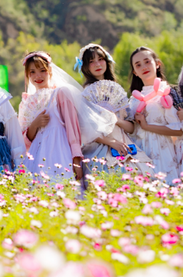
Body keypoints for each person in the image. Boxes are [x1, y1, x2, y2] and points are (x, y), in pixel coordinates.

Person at [18, 51, 115, 183]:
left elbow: (73, 128)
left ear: (50, 71)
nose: (38, 76)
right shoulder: (26, 103)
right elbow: (24, 141)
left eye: (42, 70)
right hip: (37, 156)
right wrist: (34, 125)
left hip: (60, 152)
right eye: (32, 72)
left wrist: (76, 160)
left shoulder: (60, 94)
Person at [76, 44, 153, 175]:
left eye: (100, 59)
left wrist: (115, 119)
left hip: (125, 144)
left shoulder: (116, 89)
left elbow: (131, 128)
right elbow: (86, 130)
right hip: (99, 147)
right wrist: (112, 142)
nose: (97, 64)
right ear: (85, 66)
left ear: (107, 61)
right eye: (91, 61)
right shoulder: (86, 94)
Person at [128, 47, 182, 184]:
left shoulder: (167, 93)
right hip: (140, 151)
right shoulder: (134, 99)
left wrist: (147, 126)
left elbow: (179, 130)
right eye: (138, 65)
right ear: (135, 72)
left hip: (163, 153)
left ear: (157, 64)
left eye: (147, 62)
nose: (143, 67)